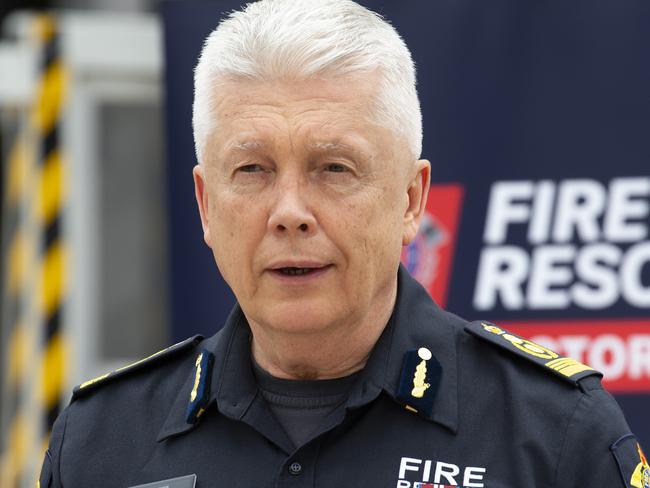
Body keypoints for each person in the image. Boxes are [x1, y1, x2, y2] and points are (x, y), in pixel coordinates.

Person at [40, 1, 648, 487]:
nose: (290, 213)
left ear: (411, 199)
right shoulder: (100, 442)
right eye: (252, 170)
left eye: (334, 168)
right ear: (204, 203)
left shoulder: (556, 436)